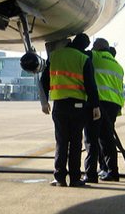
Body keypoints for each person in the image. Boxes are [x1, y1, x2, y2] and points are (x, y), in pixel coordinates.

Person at [41, 34, 100, 187]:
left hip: (59, 105)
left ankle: (59, 177)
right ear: (85, 46)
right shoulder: (83, 58)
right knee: (75, 142)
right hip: (78, 106)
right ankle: (75, 178)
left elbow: (44, 80)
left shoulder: (54, 56)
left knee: (61, 141)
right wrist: (95, 105)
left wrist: (44, 102)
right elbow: (91, 85)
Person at [83, 38, 125, 182]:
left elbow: (79, 54)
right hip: (113, 106)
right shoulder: (118, 65)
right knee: (107, 139)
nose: (92, 48)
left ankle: (91, 174)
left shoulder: (95, 56)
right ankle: (112, 172)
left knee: (91, 139)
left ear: (100, 46)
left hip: (98, 103)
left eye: (94, 46)